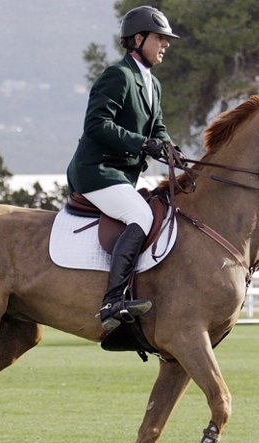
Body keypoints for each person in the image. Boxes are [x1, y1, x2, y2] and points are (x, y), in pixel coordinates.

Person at [66, 5, 180, 331]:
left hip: (122, 175)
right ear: (138, 39)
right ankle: (113, 301)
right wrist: (143, 145)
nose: (166, 44)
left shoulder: (152, 84)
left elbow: (156, 128)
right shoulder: (118, 76)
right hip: (96, 170)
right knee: (141, 216)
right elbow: (97, 125)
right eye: (160, 38)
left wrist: (169, 148)